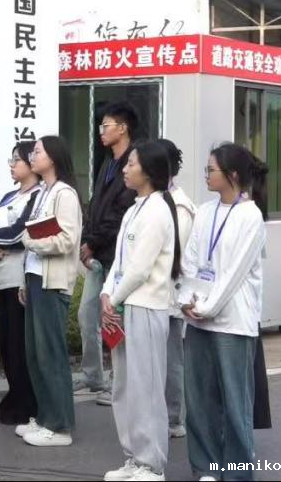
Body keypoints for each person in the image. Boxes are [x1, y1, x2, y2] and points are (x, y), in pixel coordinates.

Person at [180, 143, 268, 480]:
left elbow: (234, 274)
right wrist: (186, 300)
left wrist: (206, 307)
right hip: (198, 319)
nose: (206, 175)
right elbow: (190, 260)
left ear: (231, 174)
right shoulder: (205, 211)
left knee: (235, 403)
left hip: (233, 322)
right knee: (199, 401)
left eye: (210, 170)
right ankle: (205, 467)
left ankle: (237, 472)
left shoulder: (251, 216)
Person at [100, 142, 182, 482]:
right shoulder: (135, 208)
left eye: (131, 163)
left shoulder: (158, 210)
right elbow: (120, 262)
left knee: (146, 388)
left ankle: (152, 464)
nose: (125, 168)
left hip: (145, 307)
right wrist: (106, 293)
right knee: (124, 387)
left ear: (148, 171)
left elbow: (139, 269)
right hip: (123, 305)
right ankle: (133, 457)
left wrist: (113, 298)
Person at [18, 135, 82, 448]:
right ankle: (45, 417)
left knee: (51, 354)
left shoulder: (64, 194)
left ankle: (59, 426)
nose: (33, 156)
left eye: (38, 151)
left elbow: (67, 240)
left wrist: (32, 243)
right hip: (36, 278)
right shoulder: (44, 191)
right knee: (35, 353)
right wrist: (24, 280)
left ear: (53, 157)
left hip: (52, 282)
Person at [79, 102, 139, 405]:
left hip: (117, 254)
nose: (101, 131)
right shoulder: (107, 162)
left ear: (123, 128)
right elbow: (97, 205)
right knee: (87, 314)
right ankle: (93, 377)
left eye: (106, 125)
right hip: (98, 254)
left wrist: (92, 241)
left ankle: (118, 381)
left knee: (114, 318)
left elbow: (119, 213)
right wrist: (87, 239)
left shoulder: (133, 164)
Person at [0, 142, 41, 426]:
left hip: (19, 277)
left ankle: (27, 400)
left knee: (19, 343)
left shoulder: (38, 195)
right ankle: (15, 393)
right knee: (6, 342)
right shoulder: (9, 196)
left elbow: (20, 234)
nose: (11, 165)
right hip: (1, 277)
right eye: (11, 159)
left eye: (17, 160)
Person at [156, 138, 196, 440]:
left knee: (171, 358)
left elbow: (176, 256)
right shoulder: (153, 200)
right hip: (153, 294)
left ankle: (173, 418)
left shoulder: (179, 206)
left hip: (168, 294)